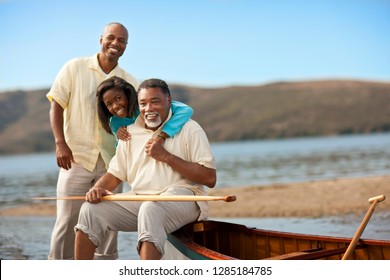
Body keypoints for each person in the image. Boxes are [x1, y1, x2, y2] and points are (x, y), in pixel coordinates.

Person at [74, 78, 217, 260]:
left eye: (155, 101)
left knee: (151, 209)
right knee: (89, 210)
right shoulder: (129, 133)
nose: (149, 108)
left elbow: (210, 178)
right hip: (141, 199)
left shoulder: (190, 128)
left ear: (169, 100)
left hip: (186, 199)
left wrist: (166, 157)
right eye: (143, 103)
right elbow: (115, 174)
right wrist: (96, 190)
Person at [46, 22, 138, 260]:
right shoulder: (74, 67)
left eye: (122, 41)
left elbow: (137, 122)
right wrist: (60, 143)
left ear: (126, 46)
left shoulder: (130, 81)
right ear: (101, 39)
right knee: (67, 220)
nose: (115, 44)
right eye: (111, 38)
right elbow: (56, 106)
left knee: (108, 223)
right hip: (75, 158)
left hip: (113, 164)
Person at [96, 76, 193, 146]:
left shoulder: (145, 106)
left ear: (128, 95)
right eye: (109, 104)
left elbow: (186, 110)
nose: (115, 106)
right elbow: (121, 149)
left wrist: (163, 134)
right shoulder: (115, 122)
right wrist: (119, 137)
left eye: (118, 98)